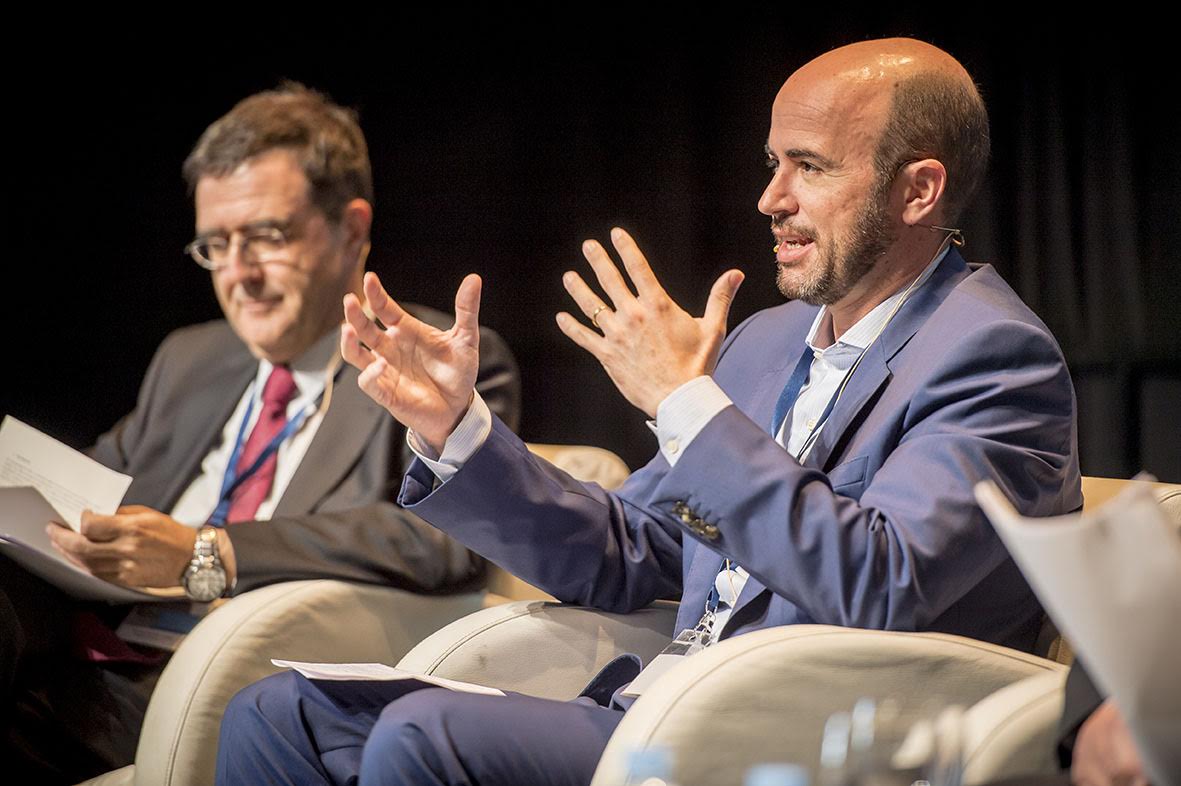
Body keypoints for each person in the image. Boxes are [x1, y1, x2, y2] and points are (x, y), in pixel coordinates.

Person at [216, 39, 1082, 786]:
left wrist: (685, 403)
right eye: (771, 164)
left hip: (800, 739)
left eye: (809, 167)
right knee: (278, 712)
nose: (770, 198)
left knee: (423, 736)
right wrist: (456, 431)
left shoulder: (991, 357)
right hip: (661, 706)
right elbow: (628, 548)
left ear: (918, 190)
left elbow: (880, 583)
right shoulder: (768, 342)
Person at [0, 84, 520, 784]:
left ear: (350, 229)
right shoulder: (190, 358)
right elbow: (95, 480)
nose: (239, 274)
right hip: (76, 652)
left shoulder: (433, 363)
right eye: (216, 246)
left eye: (267, 236)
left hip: (215, 686)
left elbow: (441, 538)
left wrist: (207, 552)